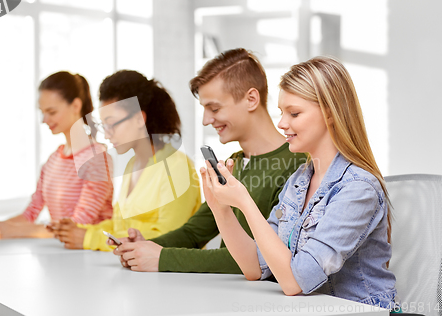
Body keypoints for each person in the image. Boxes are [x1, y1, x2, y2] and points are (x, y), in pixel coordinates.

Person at [200, 56, 397, 309]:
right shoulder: (298, 182)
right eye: (282, 113)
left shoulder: (358, 188)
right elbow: (254, 267)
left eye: (294, 113)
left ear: (330, 112)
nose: (282, 124)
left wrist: (245, 202)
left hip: (360, 312)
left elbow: (295, 281)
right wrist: (221, 208)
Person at [111, 48, 307, 273]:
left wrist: (163, 257)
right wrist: (145, 247)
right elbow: (194, 232)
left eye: (214, 108)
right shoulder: (234, 163)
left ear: (251, 99)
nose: (206, 120)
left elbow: (259, 260)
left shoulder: (297, 166)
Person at [49, 70, 201, 250]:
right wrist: (78, 230)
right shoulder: (132, 166)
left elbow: (169, 238)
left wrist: (90, 238)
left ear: (138, 118)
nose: (106, 134)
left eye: (111, 124)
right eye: (103, 125)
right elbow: (119, 226)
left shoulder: (176, 167)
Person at [0, 71, 114, 239]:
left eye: (52, 112)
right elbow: (30, 214)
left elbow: (77, 226)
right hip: (58, 254)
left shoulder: (96, 159)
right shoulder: (54, 159)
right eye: (42, 112)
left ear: (76, 106)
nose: (44, 119)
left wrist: (11, 231)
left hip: (88, 256)